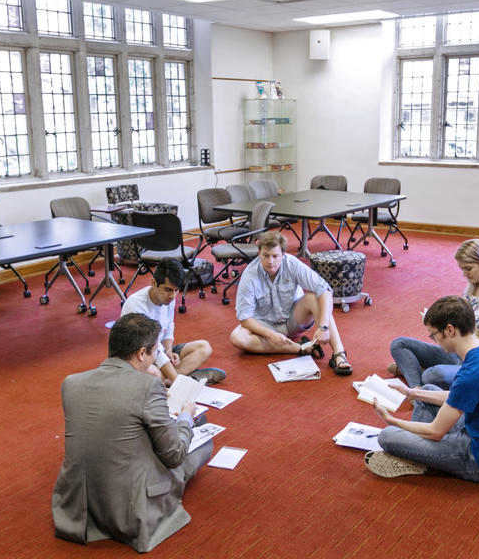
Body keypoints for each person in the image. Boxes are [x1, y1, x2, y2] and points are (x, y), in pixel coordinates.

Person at [52, 313, 213, 552]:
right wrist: (186, 416)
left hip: (77, 503)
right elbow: (174, 455)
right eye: (155, 352)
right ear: (141, 353)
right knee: (202, 439)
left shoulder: (71, 382)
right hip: (130, 507)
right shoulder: (149, 385)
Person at [366, 295, 479, 482]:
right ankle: (415, 449)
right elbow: (459, 395)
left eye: (433, 335)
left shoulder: (472, 373)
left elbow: (436, 431)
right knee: (427, 391)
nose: (434, 341)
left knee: (387, 436)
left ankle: (414, 454)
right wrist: (413, 393)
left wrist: (391, 420)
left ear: (450, 330)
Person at [389, 238, 479, 389]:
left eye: (468, 268)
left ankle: (415, 379)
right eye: (462, 269)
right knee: (399, 344)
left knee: (432, 375)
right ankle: (417, 388)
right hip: (460, 353)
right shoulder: (473, 289)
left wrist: (467, 338)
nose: (464, 274)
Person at [230, 231, 352, 375]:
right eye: (266, 256)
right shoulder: (250, 275)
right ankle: (299, 348)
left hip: (293, 319)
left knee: (313, 298)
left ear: (283, 254)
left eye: (275, 256)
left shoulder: (292, 263)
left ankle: (339, 354)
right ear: (259, 253)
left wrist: (324, 326)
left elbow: (325, 290)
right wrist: (269, 334)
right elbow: (244, 318)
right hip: (265, 325)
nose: (270, 261)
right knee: (237, 337)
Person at [121, 258, 225, 384]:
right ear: (154, 283)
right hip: (139, 356)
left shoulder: (168, 298)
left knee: (204, 347)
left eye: (177, 290)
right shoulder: (136, 305)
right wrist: (177, 382)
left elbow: (168, 326)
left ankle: (170, 380)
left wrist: (169, 350)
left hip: (158, 351)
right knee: (154, 374)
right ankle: (180, 378)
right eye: (168, 290)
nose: (173, 296)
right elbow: (153, 347)